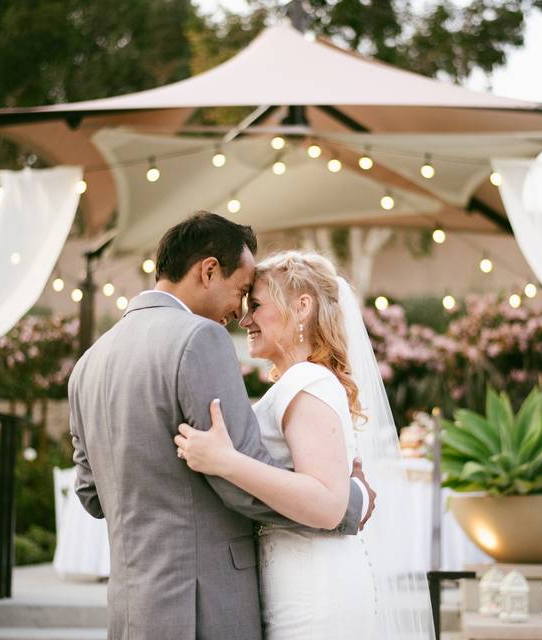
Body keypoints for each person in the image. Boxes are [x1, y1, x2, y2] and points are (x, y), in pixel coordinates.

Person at [67, 213, 375, 640]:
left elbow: (91, 494)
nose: (240, 312)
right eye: (242, 291)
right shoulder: (198, 339)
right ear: (208, 270)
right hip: (202, 601)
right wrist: (343, 506)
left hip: (130, 602)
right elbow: (237, 482)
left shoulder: (88, 363)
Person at [175, 250, 436, 639]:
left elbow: (329, 504)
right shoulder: (300, 383)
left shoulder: (308, 384)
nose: (245, 319)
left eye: (257, 306)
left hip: (316, 594)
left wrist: (225, 461)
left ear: (301, 307)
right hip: (302, 579)